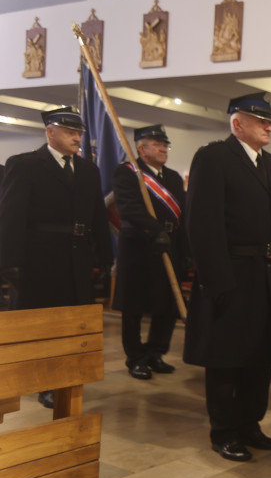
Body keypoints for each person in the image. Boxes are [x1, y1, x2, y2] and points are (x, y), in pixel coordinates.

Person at [183, 92, 271, 462]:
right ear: (237, 123)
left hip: (266, 278)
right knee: (226, 359)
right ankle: (224, 430)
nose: (268, 126)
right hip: (231, 276)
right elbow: (202, 224)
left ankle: (250, 423)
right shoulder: (213, 158)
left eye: (269, 120)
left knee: (258, 359)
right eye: (259, 120)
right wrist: (217, 281)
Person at [0, 107, 113, 408]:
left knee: (70, 324)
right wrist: (8, 262)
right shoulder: (24, 165)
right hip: (38, 260)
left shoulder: (88, 170)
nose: (78, 137)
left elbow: (98, 217)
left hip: (76, 260)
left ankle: (62, 378)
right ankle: (40, 381)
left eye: (79, 132)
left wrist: (105, 257)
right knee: (39, 327)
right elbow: (11, 217)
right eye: (70, 131)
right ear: (50, 132)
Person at [112, 125, 187, 380]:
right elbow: (129, 209)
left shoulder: (174, 178)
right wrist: (155, 230)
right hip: (139, 247)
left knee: (166, 303)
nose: (163, 148)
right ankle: (135, 357)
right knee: (133, 306)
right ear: (141, 149)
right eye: (156, 144)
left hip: (169, 244)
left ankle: (156, 352)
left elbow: (183, 214)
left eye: (165, 144)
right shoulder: (127, 174)